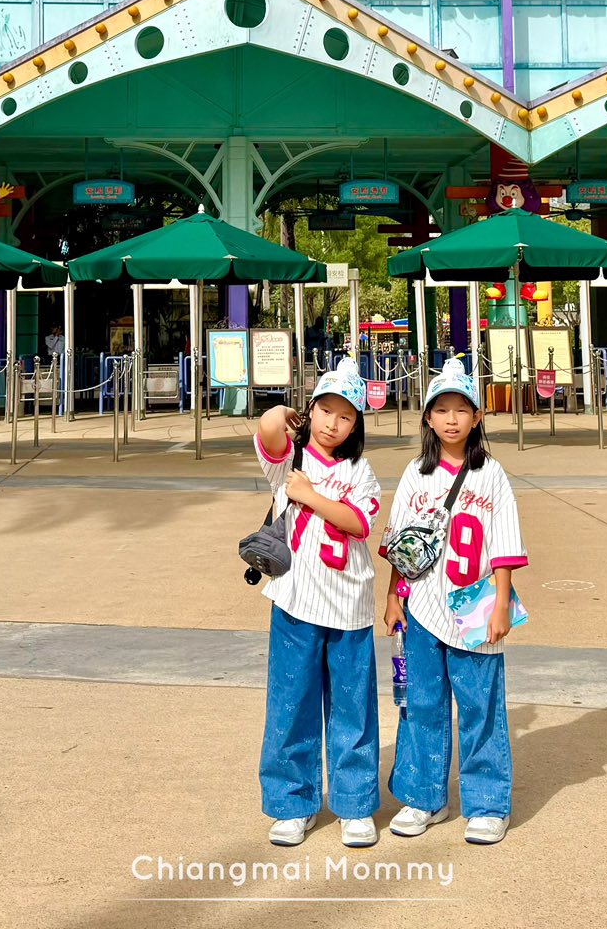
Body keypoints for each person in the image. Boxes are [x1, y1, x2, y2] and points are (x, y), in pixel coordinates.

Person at [381, 356, 527, 845]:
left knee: (481, 705)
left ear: (477, 417)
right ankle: (424, 796)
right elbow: (400, 543)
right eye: (441, 409)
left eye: (461, 409)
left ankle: (487, 803)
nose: (451, 419)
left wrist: (502, 602)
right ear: (427, 417)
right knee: (422, 702)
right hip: (423, 603)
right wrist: (394, 596)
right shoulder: (415, 474)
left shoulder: (491, 474)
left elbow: (504, 542)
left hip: (476, 604)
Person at [252, 357, 383, 849]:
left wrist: (308, 496)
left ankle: (354, 804)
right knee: (291, 704)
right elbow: (268, 431)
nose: (333, 423)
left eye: (345, 416)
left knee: (353, 708)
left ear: (356, 425)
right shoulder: (291, 459)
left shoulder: (361, 471)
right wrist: (281, 413)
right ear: (311, 411)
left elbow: (359, 524)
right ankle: (292, 804)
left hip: (350, 605)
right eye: (325, 411)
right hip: (295, 601)